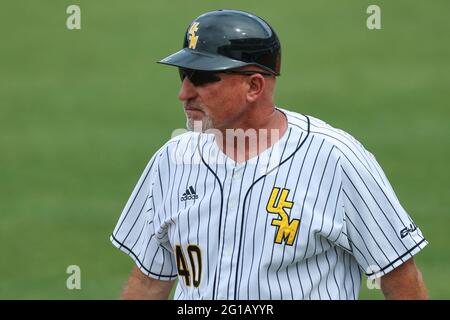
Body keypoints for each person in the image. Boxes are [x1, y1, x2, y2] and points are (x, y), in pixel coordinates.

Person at [110, 9, 428, 300]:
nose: (184, 93)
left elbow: (399, 276)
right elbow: (149, 281)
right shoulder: (171, 160)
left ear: (254, 87)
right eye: (184, 75)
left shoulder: (336, 159)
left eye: (204, 78)